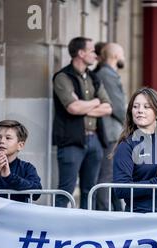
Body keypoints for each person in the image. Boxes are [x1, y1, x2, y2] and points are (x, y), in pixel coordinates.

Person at [52, 37, 112, 208]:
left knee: (90, 190)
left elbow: (108, 107)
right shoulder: (62, 77)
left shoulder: (94, 78)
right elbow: (72, 108)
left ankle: (87, 230)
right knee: (66, 190)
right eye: (92, 51)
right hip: (71, 141)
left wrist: (84, 106)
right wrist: (95, 102)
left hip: (95, 141)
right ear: (81, 53)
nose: (96, 55)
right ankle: (58, 229)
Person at [95, 43, 127, 211]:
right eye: (122, 54)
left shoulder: (110, 74)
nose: (124, 58)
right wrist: (134, 123)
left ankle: (117, 211)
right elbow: (119, 106)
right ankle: (104, 214)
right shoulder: (106, 75)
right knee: (106, 177)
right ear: (115, 56)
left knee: (113, 176)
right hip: (110, 133)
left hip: (113, 132)